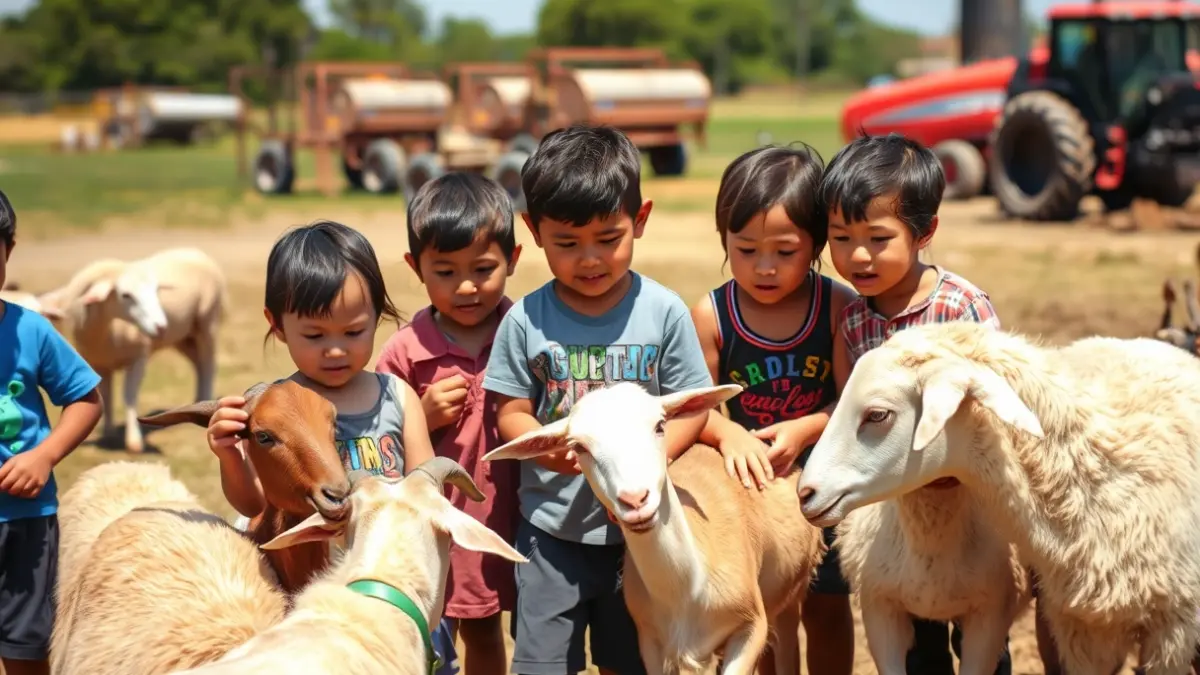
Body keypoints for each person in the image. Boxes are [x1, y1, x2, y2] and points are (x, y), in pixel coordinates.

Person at [482, 124, 714, 675]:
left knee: (632, 660)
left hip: (641, 536)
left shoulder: (663, 312)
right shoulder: (525, 320)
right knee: (541, 665)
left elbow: (693, 408)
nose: (589, 259)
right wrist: (539, 449)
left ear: (640, 220)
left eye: (608, 239)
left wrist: (654, 462)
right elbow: (509, 410)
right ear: (533, 231)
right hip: (551, 533)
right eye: (567, 243)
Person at [203, 219, 459, 674]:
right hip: (308, 593)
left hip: (390, 587)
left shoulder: (397, 396)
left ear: (378, 315)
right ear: (276, 325)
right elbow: (253, 503)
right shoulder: (276, 411)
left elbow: (424, 499)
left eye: (354, 332)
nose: (336, 351)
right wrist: (228, 453)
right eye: (315, 336)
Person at [820, 132, 1010, 675]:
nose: (857, 255)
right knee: (917, 646)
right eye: (840, 237)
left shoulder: (961, 307)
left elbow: (990, 402)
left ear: (925, 231)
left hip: (967, 506)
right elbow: (848, 413)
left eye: (878, 238)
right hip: (898, 518)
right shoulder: (854, 320)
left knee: (981, 633)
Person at [689, 144, 857, 675]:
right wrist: (730, 436)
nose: (764, 268)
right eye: (745, 250)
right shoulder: (712, 315)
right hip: (748, 497)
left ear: (815, 245)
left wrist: (806, 429)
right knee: (752, 616)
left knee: (827, 609)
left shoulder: (835, 306)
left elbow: (851, 402)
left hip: (822, 485)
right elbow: (697, 406)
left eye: (784, 252)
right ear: (724, 241)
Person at [375, 172, 521, 675]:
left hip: (512, 519)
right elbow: (376, 440)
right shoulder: (405, 351)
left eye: (483, 269)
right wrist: (421, 413)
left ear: (513, 259)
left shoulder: (522, 330)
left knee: (486, 630)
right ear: (416, 268)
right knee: (429, 631)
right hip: (438, 525)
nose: (465, 287)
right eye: (445, 271)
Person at [0, 188, 104, 675]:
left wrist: (44, 456)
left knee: (27, 647)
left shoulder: (32, 330)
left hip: (26, 520)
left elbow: (85, 399)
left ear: (9, 251)